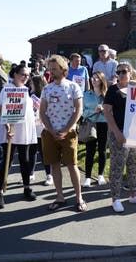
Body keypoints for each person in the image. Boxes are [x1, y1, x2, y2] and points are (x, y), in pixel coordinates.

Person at [39, 55, 86, 212]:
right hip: (50, 133)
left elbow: (78, 110)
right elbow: (42, 112)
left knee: (72, 165)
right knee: (54, 165)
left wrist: (66, 129)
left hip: (69, 133)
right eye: (50, 69)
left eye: (54, 68)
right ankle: (60, 197)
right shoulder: (47, 89)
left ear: (63, 68)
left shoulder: (73, 87)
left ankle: (79, 198)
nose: (51, 71)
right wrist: (52, 131)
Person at [104, 62, 136, 213]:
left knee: (133, 164)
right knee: (117, 166)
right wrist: (116, 132)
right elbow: (107, 112)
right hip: (119, 133)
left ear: (130, 72)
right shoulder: (112, 90)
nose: (121, 74)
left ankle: (134, 194)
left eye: (124, 71)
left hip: (135, 133)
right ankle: (115, 199)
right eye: (119, 72)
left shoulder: (135, 89)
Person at [0, 65, 38, 209]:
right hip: (10, 129)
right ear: (15, 74)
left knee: (24, 159)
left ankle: (26, 187)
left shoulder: (26, 90)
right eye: (22, 74)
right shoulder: (6, 89)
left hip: (23, 127)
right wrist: (7, 128)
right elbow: (1, 109)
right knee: (7, 159)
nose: (25, 77)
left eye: (27, 75)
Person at [82, 71, 108, 188]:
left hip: (103, 124)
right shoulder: (86, 94)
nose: (93, 80)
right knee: (90, 151)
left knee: (102, 150)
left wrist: (103, 109)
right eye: (92, 78)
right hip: (90, 124)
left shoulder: (107, 95)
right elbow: (83, 112)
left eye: (96, 78)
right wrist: (94, 111)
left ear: (101, 80)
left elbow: (111, 110)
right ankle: (87, 177)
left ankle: (100, 175)